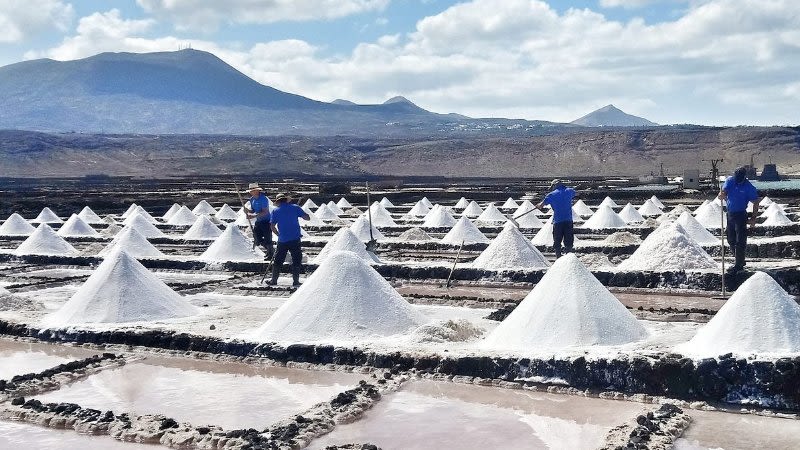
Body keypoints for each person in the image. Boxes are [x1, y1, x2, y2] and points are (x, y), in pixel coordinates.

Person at [718, 166, 760, 273]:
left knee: (740, 240)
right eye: (736, 177)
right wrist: (721, 195)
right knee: (730, 239)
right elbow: (724, 192)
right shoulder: (730, 181)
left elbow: (756, 201)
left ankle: (738, 265)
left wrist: (753, 218)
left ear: (744, 177)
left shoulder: (748, 187)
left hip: (741, 215)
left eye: (740, 178)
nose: (737, 180)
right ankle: (740, 260)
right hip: (730, 214)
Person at [268, 193, 310, 287]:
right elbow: (307, 218)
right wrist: (302, 213)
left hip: (282, 240)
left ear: (278, 202)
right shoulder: (295, 208)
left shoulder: (275, 211)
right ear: (286, 200)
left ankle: (274, 280)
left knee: (278, 260)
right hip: (295, 239)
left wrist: (278, 234)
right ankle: (296, 281)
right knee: (296, 260)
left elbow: (272, 226)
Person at [536, 179, 577, 258]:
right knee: (569, 240)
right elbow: (574, 193)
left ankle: (558, 258)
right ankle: (569, 257)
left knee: (557, 240)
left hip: (558, 221)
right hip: (568, 220)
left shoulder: (551, 195)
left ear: (554, 186)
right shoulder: (569, 191)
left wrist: (538, 205)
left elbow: (541, 205)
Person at [245, 183, 273, 259]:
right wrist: (248, 211)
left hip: (266, 221)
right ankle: (270, 250)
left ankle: (270, 254)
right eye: (251, 191)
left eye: (253, 190)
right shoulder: (252, 199)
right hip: (259, 221)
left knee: (268, 239)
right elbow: (253, 210)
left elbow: (265, 212)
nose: (251, 192)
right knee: (257, 238)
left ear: (257, 190)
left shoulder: (263, 199)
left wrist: (253, 216)